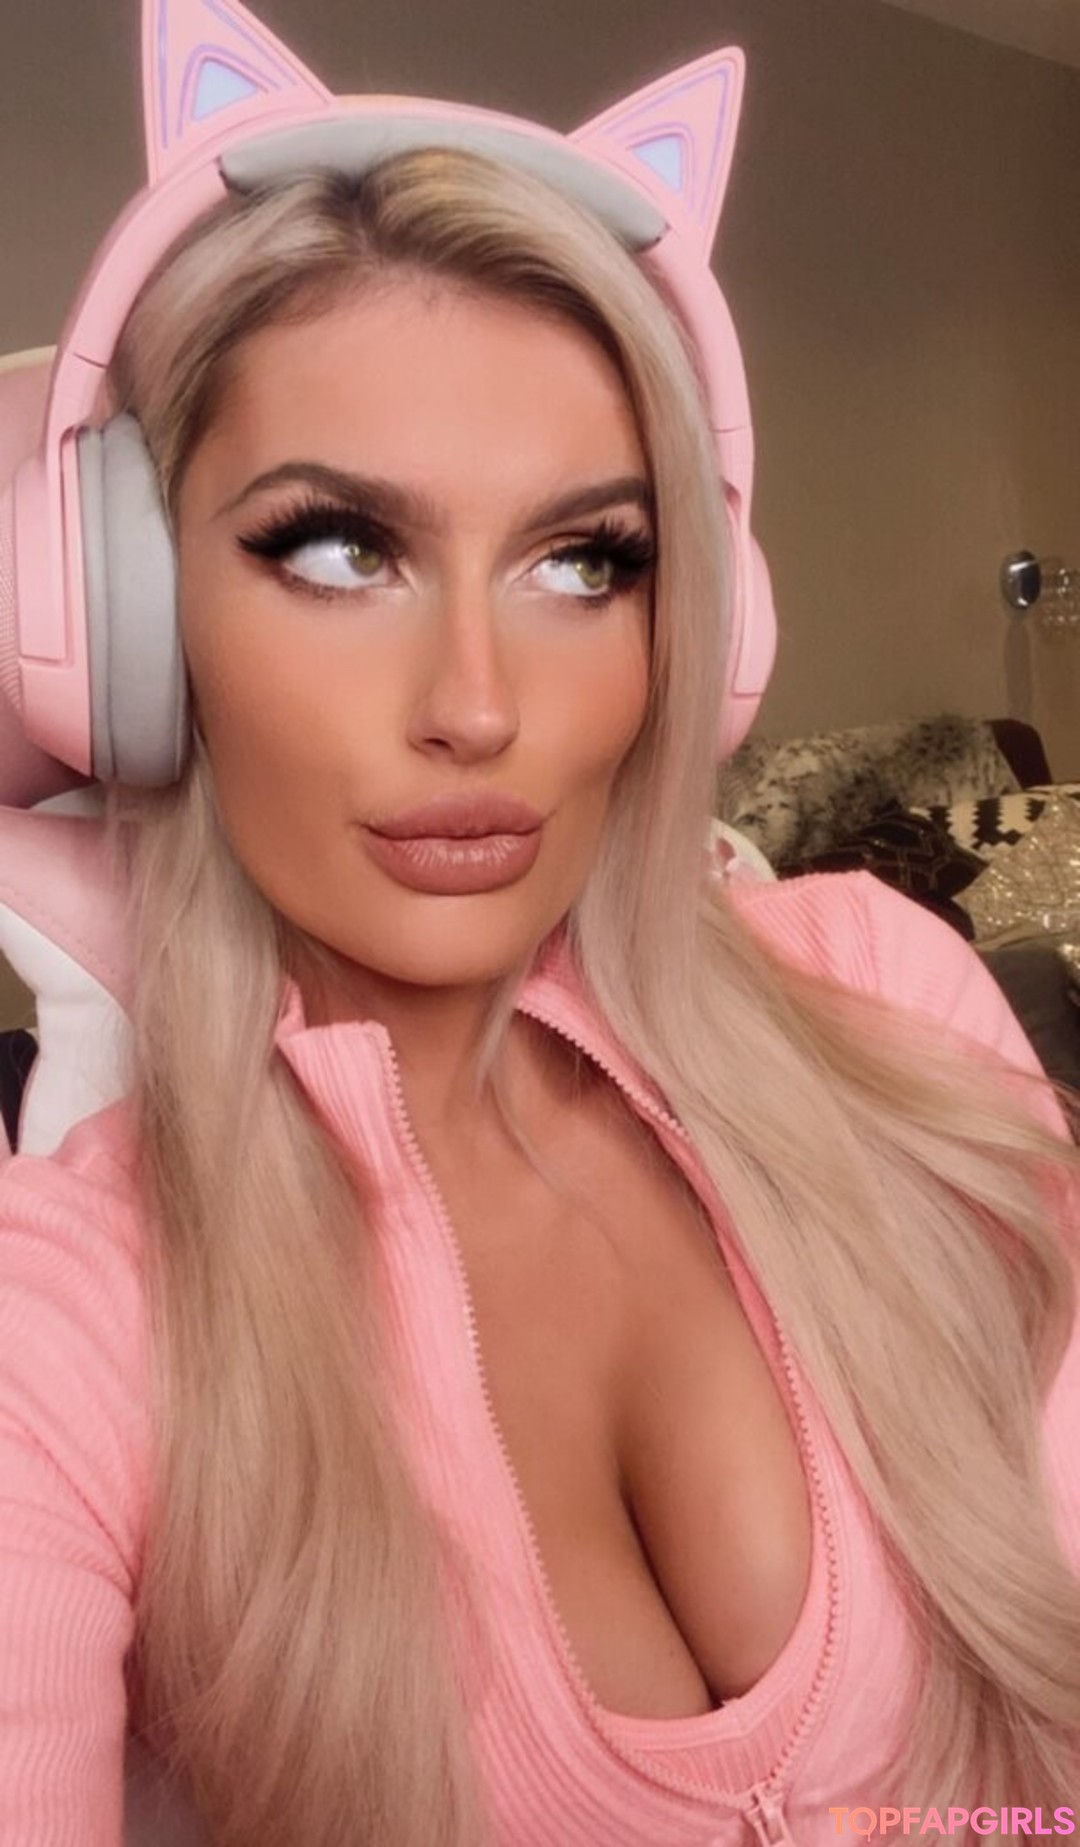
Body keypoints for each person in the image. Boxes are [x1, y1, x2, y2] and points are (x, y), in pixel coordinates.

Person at [0, 3, 1077, 1844]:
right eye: (337, 547)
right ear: (130, 624)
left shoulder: (888, 1003)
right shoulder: (75, 1314)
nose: (479, 707)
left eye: (585, 560)